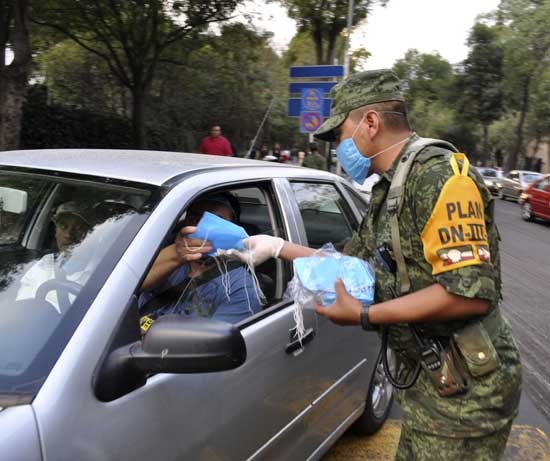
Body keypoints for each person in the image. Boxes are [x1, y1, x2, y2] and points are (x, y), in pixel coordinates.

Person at [232, 70, 521, 459]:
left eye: (339, 135)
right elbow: (353, 266)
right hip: (434, 384)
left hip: (470, 394)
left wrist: (366, 314)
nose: (338, 148)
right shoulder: (391, 188)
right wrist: (278, 246)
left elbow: (468, 295)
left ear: (370, 123)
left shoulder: (440, 177)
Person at [139, 193, 262, 328]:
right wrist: (176, 253)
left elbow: (213, 344)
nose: (202, 226)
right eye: (195, 217)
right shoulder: (163, 257)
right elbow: (124, 287)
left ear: (233, 229)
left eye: (215, 221)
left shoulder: (240, 287)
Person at [17, 201, 94, 312]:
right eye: (63, 226)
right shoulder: (43, 264)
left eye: (78, 229)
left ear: (89, 234)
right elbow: (21, 312)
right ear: (55, 231)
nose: (68, 235)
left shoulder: (102, 274)